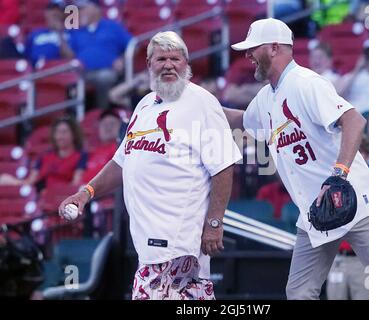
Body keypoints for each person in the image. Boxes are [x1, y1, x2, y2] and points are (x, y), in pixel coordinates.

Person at [223, 18, 369, 300]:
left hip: (347, 198)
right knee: (299, 292)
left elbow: (354, 120)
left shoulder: (306, 83)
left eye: (252, 48)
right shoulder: (266, 97)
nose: (247, 56)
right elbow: (243, 121)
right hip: (314, 212)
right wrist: (200, 104)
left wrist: (338, 174)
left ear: (272, 48)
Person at [58, 31, 242, 300]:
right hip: (150, 242)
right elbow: (122, 161)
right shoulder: (145, 104)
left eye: (175, 59)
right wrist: (86, 192)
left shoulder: (201, 102)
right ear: (148, 65)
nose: (168, 65)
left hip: (175, 240)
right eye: (161, 59)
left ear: (187, 63)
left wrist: (214, 223)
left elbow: (223, 165)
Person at [326, 136, 369, 300]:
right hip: (338, 258)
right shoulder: (332, 187)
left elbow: (364, 219)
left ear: (367, 156)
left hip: (367, 260)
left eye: (357, 153)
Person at [66, 0, 132, 109]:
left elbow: (133, 45)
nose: (80, 12)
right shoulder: (76, 31)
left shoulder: (112, 27)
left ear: (96, 9)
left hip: (107, 71)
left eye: (83, 9)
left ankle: (102, 111)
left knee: (104, 77)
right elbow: (69, 54)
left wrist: (122, 59)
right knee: (70, 82)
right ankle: (77, 118)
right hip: (83, 72)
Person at [0, 116, 87, 190]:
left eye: (64, 132)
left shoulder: (81, 156)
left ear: (74, 134)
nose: (60, 136)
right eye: (57, 132)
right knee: (3, 179)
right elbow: (31, 181)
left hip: (63, 197)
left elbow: (75, 183)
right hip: (41, 196)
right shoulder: (45, 156)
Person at [24, 0, 73, 67]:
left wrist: (59, 33)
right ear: (46, 13)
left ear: (64, 14)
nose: (55, 13)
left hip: (58, 71)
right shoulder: (35, 34)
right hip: (35, 72)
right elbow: (26, 57)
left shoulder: (70, 34)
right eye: (52, 9)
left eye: (59, 10)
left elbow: (70, 58)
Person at [81, 108, 123, 183]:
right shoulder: (91, 152)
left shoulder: (121, 149)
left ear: (120, 126)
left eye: (112, 124)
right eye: (104, 124)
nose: (108, 127)